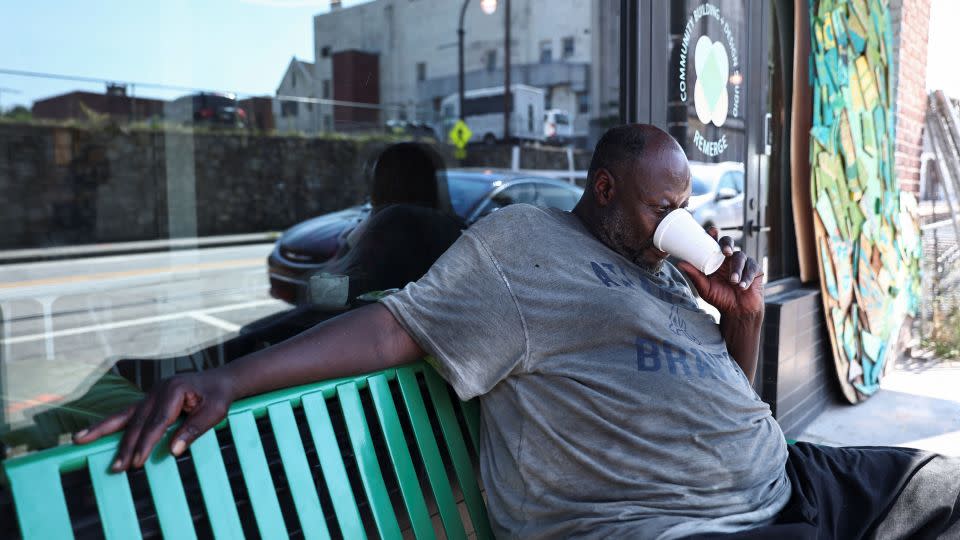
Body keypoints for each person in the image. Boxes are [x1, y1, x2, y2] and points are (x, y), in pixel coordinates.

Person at [75, 125, 960, 539]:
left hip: (791, 480)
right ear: (606, 189)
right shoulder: (523, 250)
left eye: (684, 207)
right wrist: (231, 378)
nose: (677, 222)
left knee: (944, 485)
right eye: (664, 204)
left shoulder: (658, 271)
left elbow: (723, 389)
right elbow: (393, 329)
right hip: (677, 528)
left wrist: (745, 321)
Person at [113, 142, 464, 390]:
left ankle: (171, 374)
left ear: (386, 182)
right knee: (263, 330)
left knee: (261, 335)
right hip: (392, 352)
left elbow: (341, 292)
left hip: (357, 337)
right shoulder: (450, 225)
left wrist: (326, 270)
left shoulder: (397, 221)